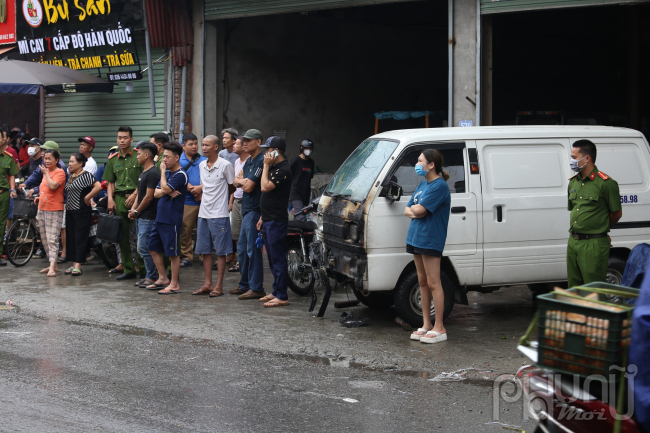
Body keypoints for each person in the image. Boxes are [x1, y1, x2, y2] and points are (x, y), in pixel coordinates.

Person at [405, 149, 451, 344]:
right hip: (416, 237)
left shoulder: (439, 186)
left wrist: (417, 211)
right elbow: (408, 209)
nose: (417, 164)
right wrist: (416, 211)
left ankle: (439, 327)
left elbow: (421, 209)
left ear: (431, 165)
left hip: (431, 239)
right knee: (422, 281)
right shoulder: (424, 184)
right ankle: (426, 324)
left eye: (420, 161)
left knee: (434, 283)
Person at [567, 139, 622, 287]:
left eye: (574, 157)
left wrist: (600, 229)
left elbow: (616, 213)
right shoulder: (573, 182)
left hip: (594, 244)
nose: (571, 161)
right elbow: (575, 210)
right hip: (574, 241)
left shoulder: (606, 183)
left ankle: (595, 311)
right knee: (574, 288)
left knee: (593, 290)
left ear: (587, 158)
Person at [191, 135, 235, 297]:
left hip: (219, 214)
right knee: (205, 251)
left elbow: (231, 187)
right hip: (203, 213)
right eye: (203, 145)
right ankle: (208, 283)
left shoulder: (225, 165)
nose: (204, 148)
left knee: (221, 252)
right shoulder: (202, 165)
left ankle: (219, 286)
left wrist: (223, 200)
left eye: (207, 145)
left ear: (216, 147)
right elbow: (206, 186)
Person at [103, 126, 144, 281]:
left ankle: (143, 269)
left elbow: (143, 179)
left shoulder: (138, 157)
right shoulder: (112, 159)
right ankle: (128, 268)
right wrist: (110, 199)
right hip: (119, 199)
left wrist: (135, 195)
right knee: (123, 237)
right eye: (119, 137)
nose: (122, 140)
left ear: (131, 139)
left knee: (140, 236)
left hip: (137, 198)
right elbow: (110, 182)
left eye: (125, 137)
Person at [230, 129, 266, 299]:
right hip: (246, 209)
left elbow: (248, 187)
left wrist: (242, 182)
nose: (245, 143)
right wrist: (242, 181)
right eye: (244, 140)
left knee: (252, 250)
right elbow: (235, 181)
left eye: (249, 140)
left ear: (258, 142)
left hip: (254, 210)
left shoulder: (260, 161)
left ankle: (256, 287)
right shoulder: (248, 161)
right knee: (243, 250)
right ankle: (244, 284)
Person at [148, 142, 188, 294]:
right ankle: (163, 278)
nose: (163, 160)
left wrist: (163, 176)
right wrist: (166, 190)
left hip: (172, 219)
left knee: (173, 253)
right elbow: (156, 193)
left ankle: (174, 283)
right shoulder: (170, 174)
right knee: (152, 247)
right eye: (163, 156)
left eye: (167, 157)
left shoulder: (180, 174)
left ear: (177, 157)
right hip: (160, 218)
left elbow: (163, 189)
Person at [257, 137, 293, 307]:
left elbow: (264, 187)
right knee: (271, 258)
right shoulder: (274, 167)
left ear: (275, 151)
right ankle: (276, 291)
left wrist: (265, 166)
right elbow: (268, 196)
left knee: (278, 258)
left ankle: (282, 296)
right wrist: (262, 217)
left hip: (277, 220)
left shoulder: (283, 169)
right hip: (268, 218)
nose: (265, 153)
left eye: (267, 149)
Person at [128, 142, 161, 289]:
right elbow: (139, 195)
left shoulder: (153, 173)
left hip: (148, 216)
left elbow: (149, 197)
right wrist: (134, 209)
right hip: (141, 216)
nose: (137, 156)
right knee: (142, 247)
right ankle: (149, 275)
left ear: (147, 155)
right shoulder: (144, 172)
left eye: (139, 153)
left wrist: (137, 211)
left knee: (144, 247)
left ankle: (153, 276)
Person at [63, 153, 101, 276]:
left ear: (80, 163)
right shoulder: (71, 176)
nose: (70, 164)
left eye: (72, 161)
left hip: (81, 210)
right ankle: (73, 262)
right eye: (69, 161)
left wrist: (88, 197)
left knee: (80, 236)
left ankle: (78, 264)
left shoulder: (86, 175)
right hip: (70, 210)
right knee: (71, 237)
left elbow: (98, 186)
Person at [35, 149, 66, 277]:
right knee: (44, 238)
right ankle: (53, 264)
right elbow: (45, 189)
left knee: (52, 238)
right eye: (45, 158)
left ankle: (52, 266)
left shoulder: (60, 172)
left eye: (49, 158)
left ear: (56, 160)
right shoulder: (45, 173)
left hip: (54, 209)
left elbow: (53, 186)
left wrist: (46, 174)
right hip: (42, 207)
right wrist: (39, 197)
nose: (46, 161)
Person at [178, 133, 207, 268]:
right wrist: (191, 188)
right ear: (183, 146)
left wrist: (200, 188)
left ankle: (204, 256)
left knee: (204, 229)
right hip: (187, 200)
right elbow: (176, 177)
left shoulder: (204, 160)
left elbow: (210, 178)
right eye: (190, 144)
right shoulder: (178, 160)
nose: (194, 146)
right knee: (186, 229)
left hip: (203, 199)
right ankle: (186, 256)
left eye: (196, 143)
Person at [227, 136, 248, 271]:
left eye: (236, 144)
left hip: (246, 200)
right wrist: (231, 201)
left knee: (245, 234)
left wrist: (238, 181)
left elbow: (243, 182)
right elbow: (234, 183)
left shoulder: (249, 162)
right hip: (236, 200)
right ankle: (239, 260)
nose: (233, 146)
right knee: (235, 233)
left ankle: (244, 262)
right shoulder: (236, 162)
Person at [0, 127, 18, 266]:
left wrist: (12, 190)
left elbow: (12, 175)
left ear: (4, 139)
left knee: (1, 226)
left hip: (4, 194)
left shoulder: (8, 157)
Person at [289, 139, 315, 221]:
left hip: (305, 193)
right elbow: (289, 176)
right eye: (307, 148)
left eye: (310, 149)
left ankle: (293, 231)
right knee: (301, 217)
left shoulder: (311, 162)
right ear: (301, 148)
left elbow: (310, 177)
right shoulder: (296, 161)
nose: (309, 150)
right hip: (295, 192)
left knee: (299, 215)